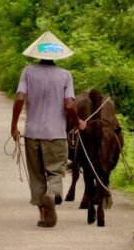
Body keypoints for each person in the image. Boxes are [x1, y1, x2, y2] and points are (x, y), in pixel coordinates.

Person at [10, 31, 86, 228]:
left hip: (33, 133)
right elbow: (69, 105)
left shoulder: (28, 72)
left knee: (36, 175)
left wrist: (14, 126)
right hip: (56, 135)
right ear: (57, 55)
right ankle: (52, 195)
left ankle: (44, 217)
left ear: (38, 53)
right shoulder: (65, 75)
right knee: (55, 172)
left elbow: (19, 98)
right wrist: (78, 122)